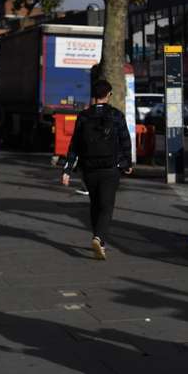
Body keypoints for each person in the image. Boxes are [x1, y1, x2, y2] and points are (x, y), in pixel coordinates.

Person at [60, 80, 132, 260]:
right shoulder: (116, 115)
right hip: (110, 168)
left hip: (89, 168)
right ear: (109, 94)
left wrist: (67, 169)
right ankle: (99, 239)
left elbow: (74, 144)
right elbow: (125, 141)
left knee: (95, 203)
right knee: (107, 206)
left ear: (93, 96)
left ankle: (98, 240)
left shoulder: (83, 116)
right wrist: (127, 163)